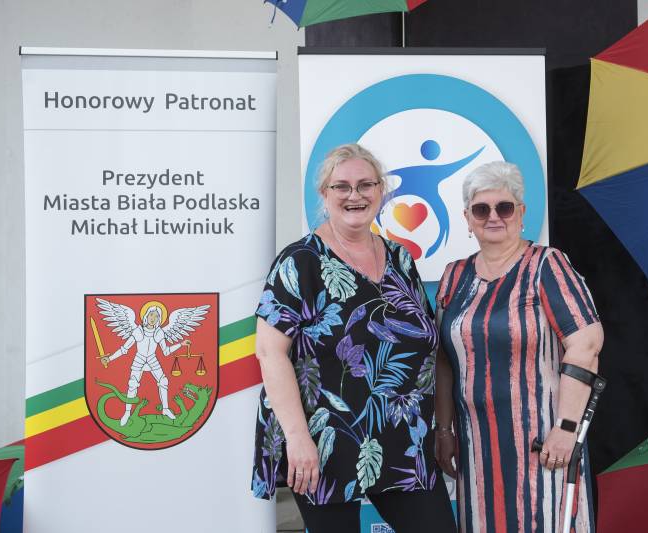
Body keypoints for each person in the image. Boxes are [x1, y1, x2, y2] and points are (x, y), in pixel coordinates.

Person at [251, 144, 456, 533]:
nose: (354, 195)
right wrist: (297, 438)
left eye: (365, 185)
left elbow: (427, 345)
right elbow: (269, 352)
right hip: (323, 438)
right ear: (324, 194)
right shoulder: (300, 261)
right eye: (341, 186)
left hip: (402, 438)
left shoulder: (400, 258)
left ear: (381, 191)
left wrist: (442, 429)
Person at [434, 161, 603, 533]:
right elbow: (444, 360)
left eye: (505, 207)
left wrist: (567, 428)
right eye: (482, 209)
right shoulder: (454, 275)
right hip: (476, 449)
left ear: (521, 213)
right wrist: (443, 430)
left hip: (544, 444)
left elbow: (586, 344)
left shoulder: (547, 265)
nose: (494, 216)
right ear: (467, 218)